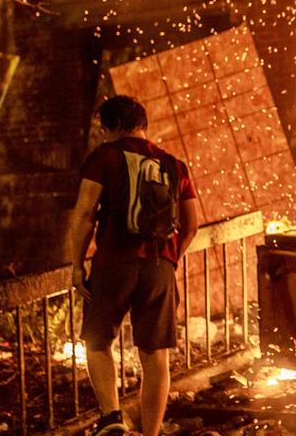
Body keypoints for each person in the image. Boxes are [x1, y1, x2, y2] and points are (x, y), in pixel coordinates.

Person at [66, 96, 200, 436]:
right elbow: (191, 224)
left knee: (96, 342)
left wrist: (77, 264)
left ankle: (112, 419)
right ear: (143, 124)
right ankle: (151, 433)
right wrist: (171, 258)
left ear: (108, 127)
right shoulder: (173, 164)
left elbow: (84, 214)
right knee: (155, 354)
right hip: (159, 267)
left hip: (113, 263)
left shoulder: (104, 158)